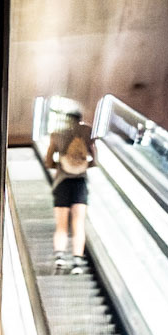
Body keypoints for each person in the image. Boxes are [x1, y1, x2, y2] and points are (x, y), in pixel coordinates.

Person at [45, 111, 96, 274]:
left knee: (61, 225)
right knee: (78, 223)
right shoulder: (87, 134)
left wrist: (59, 165)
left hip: (62, 182)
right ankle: (77, 261)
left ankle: (59, 256)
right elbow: (94, 161)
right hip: (80, 183)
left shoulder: (57, 135)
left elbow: (48, 161)